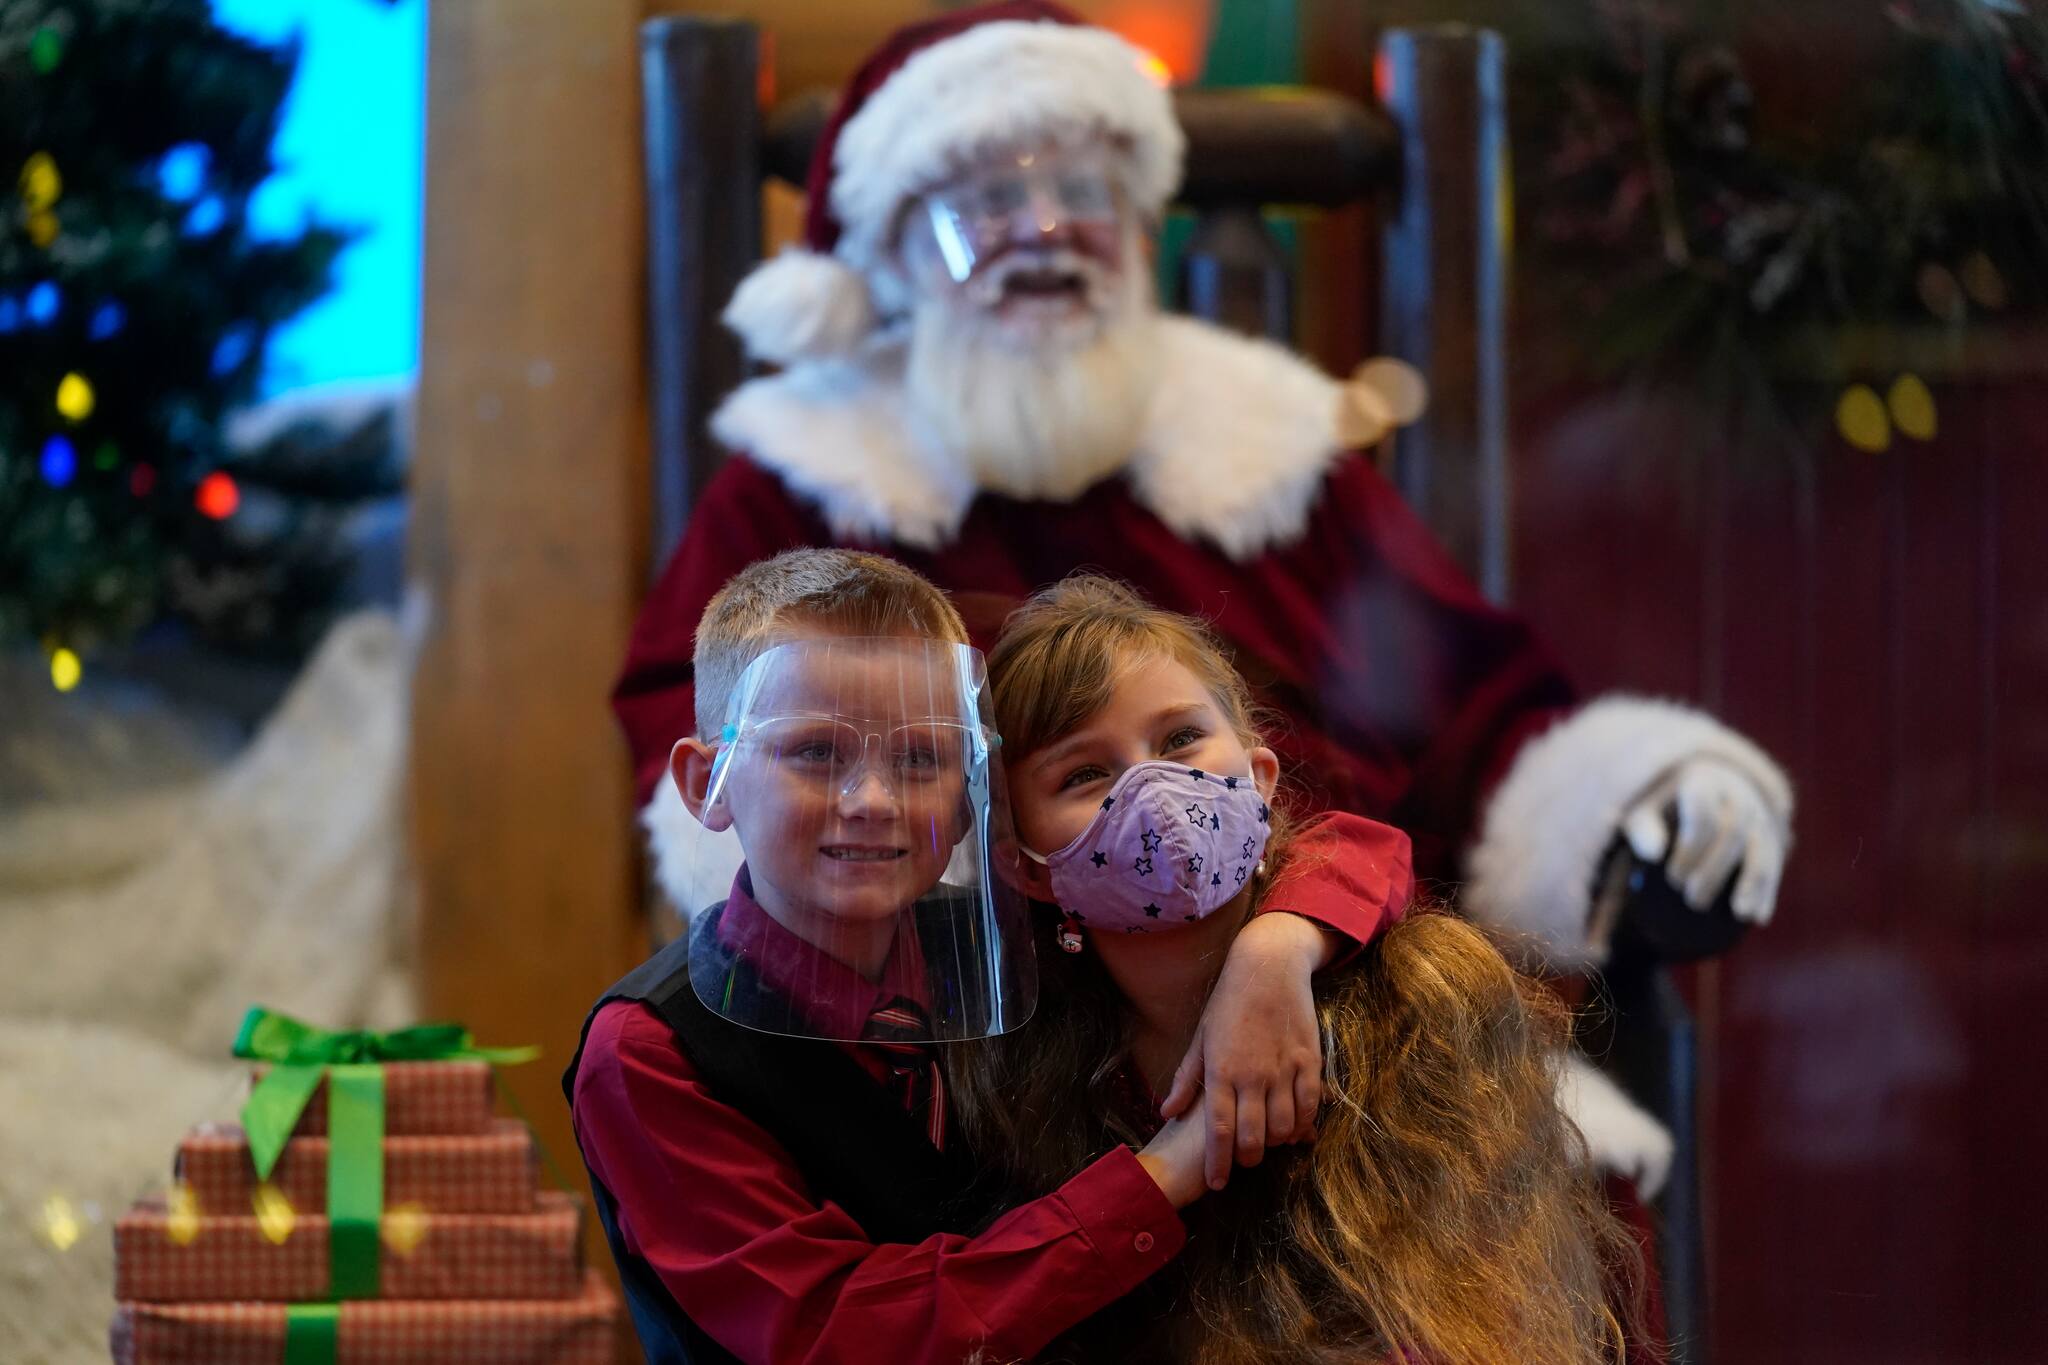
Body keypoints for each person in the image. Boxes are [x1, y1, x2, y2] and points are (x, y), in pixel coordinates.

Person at [613, 0, 1796, 1193]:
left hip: (1366, 970)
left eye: (1084, 193)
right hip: (1002, 1028)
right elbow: (717, 735)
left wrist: (1626, 789)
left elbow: (1473, 706)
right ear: (892, 255)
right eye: (981, 204)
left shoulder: (1265, 456)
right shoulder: (812, 481)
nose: (1043, 234)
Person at [564, 548, 1404, 1365]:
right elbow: (833, 1331)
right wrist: (1160, 1175)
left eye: (922, 757)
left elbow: (1351, 847)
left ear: (971, 802)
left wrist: (1276, 947)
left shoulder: (1005, 939)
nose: (873, 801)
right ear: (706, 782)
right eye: (816, 751)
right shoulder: (650, 1050)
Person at [952, 573, 1639, 1364]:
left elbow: (1468, 1316)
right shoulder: (1015, 1070)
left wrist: (1276, 947)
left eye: (1179, 740)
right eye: (1084, 774)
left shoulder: (1422, 998)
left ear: (1262, 777)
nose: (1153, 790)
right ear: (1027, 867)